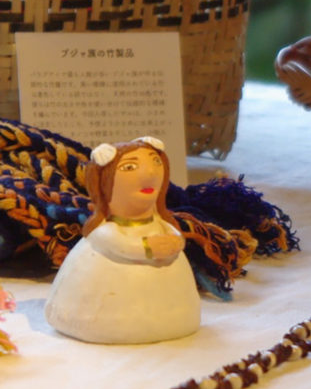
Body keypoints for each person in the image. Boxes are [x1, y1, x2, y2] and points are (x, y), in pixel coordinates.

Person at [44, 137, 201, 343]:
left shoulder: (161, 223)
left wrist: (176, 241)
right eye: (129, 167)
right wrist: (146, 247)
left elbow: (175, 234)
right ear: (104, 182)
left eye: (156, 162)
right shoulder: (105, 231)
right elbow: (120, 245)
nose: (150, 172)